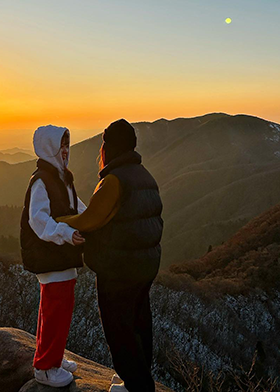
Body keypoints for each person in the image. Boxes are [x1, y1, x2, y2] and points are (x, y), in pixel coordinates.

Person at [57, 119, 163, 392]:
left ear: (108, 147)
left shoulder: (115, 180)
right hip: (145, 265)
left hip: (119, 269)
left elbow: (91, 220)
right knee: (140, 323)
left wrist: (60, 220)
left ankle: (137, 385)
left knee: (119, 329)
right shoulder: (144, 175)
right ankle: (134, 378)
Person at [20, 125, 87, 388]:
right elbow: (37, 220)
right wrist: (66, 234)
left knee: (57, 310)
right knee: (55, 310)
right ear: (49, 148)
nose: (66, 151)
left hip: (61, 256)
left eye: (67, 145)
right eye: (61, 146)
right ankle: (46, 368)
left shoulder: (61, 178)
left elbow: (76, 206)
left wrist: (91, 221)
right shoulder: (41, 180)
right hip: (50, 256)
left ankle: (53, 358)